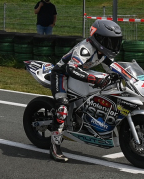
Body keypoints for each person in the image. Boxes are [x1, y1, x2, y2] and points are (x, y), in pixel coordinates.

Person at [47, 19, 125, 162]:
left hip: (80, 74)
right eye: (110, 41)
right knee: (62, 108)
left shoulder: (103, 52)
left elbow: (113, 67)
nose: (113, 45)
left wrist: (127, 76)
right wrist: (93, 79)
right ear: (99, 39)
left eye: (115, 42)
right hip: (62, 74)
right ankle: (54, 147)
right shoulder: (85, 48)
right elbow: (71, 68)